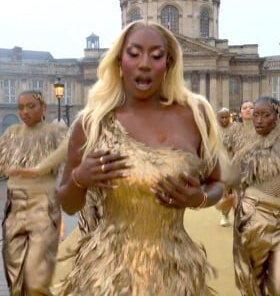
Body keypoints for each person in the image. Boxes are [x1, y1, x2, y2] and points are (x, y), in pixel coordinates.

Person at [54, 20, 224, 295]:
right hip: (107, 272)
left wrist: (199, 198)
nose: (144, 63)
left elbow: (217, 183)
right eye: (134, 53)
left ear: (168, 63)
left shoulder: (195, 116)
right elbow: (68, 204)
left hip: (175, 270)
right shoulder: (92, 123)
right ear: (119, 60)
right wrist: (79, 178)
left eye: (156, 56)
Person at [229, 97, 280, 296]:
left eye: (265, 115)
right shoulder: (245, 150)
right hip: (253, 217)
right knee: (251, 280)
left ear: (277, 117)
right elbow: (229, 177)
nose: (258, 120)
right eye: (255, 115)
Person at [0, 90, 67, 295]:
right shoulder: (11, 132)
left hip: (43, 205)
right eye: (21, 107)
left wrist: (35, 170)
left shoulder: (55, 131)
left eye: (31, 106)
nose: (25, 112)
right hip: (14, 206)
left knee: (37, 277)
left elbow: (67, 148)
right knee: (14, 273)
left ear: (43, 107)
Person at [215, 108, 235, 227]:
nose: (224, 119)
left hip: (235, 164)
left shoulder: (235, 129)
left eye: (226, 117)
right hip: (222, 166)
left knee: (238, 192)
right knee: (225, 192)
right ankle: (225, 215)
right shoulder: (214, 129)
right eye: (221, 117)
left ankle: (239, 216)